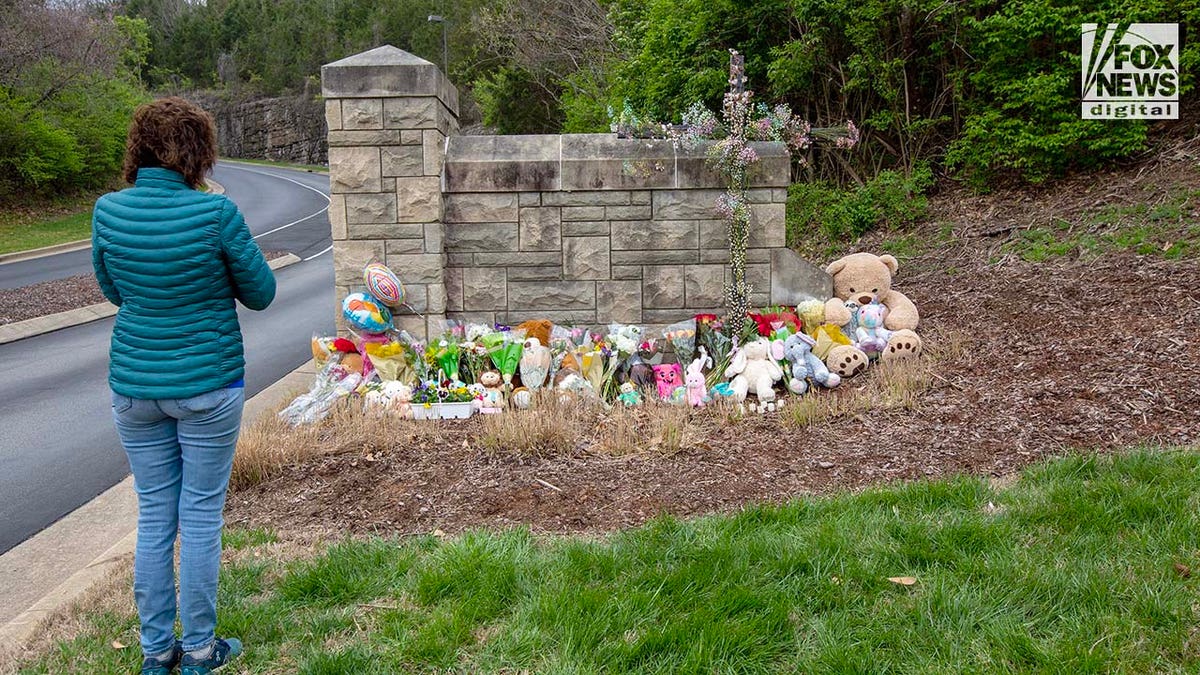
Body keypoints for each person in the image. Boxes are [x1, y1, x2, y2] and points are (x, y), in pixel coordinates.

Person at [92, 97, 276, 675]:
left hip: (135, 388)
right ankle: (198, 652)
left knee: (154, 517)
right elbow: (262, 291)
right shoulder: (214, 215)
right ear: (199, 152)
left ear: (139, 148)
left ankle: (154, 655)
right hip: (207, 384)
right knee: (198, 516)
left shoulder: (108, 212)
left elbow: (115, 290)